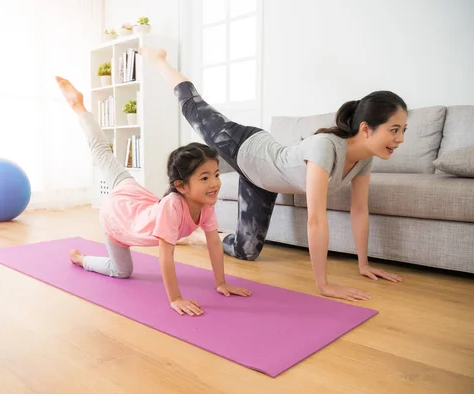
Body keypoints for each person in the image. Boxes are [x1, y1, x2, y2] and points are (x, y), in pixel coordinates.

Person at [138, 47, 405, 302]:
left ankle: (194, 236)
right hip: (243, 145)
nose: (400, 138)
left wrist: (364, 264)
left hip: (262, 182)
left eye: (403, 129)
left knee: (247, 252)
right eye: (394, 130)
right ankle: (159, 60)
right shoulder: (326, 148)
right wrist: (324, 285)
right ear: (366, 128)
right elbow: (316, 220)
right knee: (193, 107)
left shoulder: (364, 160)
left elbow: (359, 210)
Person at [54, 76, 251, 317]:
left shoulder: (204, 202)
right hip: (118, 217)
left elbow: (213, 242)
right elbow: (166, 256)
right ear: (182, 186)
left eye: (216, 174)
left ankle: (79, 107)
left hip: (132, 193)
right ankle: (82, 259)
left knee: (105, 155)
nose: (215, 184)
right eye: (204, 178)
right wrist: (175, 298)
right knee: (121, 270)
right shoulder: (172, 207)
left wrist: (221, 283)